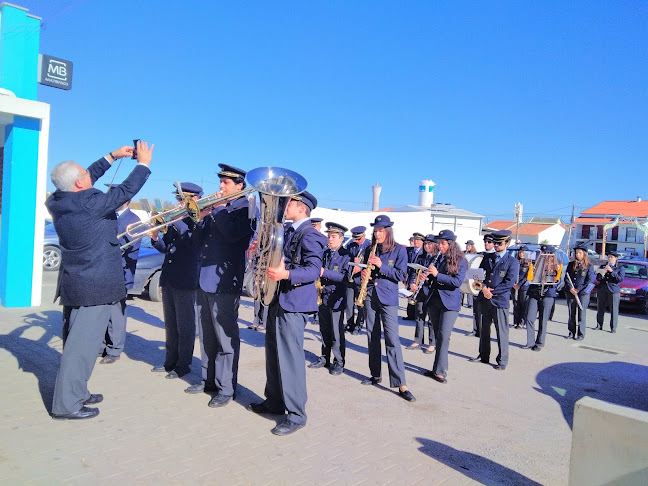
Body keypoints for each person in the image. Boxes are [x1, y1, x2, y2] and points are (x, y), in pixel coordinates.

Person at [47, 141, 153, 420]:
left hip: (77, 283)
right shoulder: (89, 203)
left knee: (78, 344)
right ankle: (67, 404)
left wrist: (112, 156)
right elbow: (126, 190)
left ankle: (77, 392)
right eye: (85, 175)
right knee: (81, 349)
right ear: (80, 183)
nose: (90, 176)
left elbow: (85, 176)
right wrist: (143, 163)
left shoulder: (58, 200)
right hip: (94, 287)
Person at [247, 191, 327, 436]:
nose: (285, 205)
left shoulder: (311, 235)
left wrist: (286, 275)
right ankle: (274, 402)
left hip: (294, 304)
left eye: (290, 202)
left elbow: (314, 270)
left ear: (302, 208)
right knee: (273, 353)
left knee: (290, 359)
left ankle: (296, 414)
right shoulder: (289, 231)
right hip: (278, 299)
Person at [186, 164, 254, 406]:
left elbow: (234, 236)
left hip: (225, 281)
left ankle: (226, 388)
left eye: (226, 183)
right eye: (221, 182)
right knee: (206, 335)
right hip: (204, 278)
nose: (220, 187)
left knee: (225, 337)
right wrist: (199, 218)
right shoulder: (217, 210)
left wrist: (218, 209)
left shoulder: (246, 208)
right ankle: (209, 380)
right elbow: (197, 241)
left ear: (239, 186)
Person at [149, 183, 203, 379]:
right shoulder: (175, 221)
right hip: (169, 278)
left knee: (185, 326)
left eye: (182, 200)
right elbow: (166, 248)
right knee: (171, 324)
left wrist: (177, 220)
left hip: (186, 279)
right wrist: (155, 238)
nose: (178, 203)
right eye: (179, 199)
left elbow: (193, 244)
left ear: (194, 200)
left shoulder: (197, 221)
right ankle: (169, 361)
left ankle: (183, 365)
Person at [360, 215, 415, 402]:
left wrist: (381, 266)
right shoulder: (370, 249)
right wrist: (365, 273)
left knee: (392, 339)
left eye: (381, 231)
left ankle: (401, 383)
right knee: (372, 336)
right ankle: (375, 374)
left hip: (388, 299)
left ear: (388, 231)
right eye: (375, 231)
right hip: (370, 296)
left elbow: (401, 274)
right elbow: (367, 269)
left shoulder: (399, 250)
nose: (377, 234)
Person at [99, 198, 142, 364]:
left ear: (127, 200)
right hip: (103, 271)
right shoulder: (109, 216)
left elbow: (129, 247)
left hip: (120, 272)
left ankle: (114, 348)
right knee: (103, 311)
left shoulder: (133, 220)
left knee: (116, 314)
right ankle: (101, 345)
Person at [468, 230, 518, 370]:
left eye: (499, 243)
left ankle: (502, 360)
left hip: (499, 300)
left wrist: (492, 292)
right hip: (484, 298)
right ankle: (483, 355)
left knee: (501, 331)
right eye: (494, 243)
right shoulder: (487, 258)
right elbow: (477, 276)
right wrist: (483, 288)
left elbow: (509, 283)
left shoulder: (512, 261)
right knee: (484, 329)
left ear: (507, 243)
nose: (495, 245)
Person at [422, 230, 467, 383]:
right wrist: (426, 278)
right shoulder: (438, 258)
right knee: (437, 336)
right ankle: (436, 369)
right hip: (435, 301)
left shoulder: (461, 260)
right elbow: (434, 280)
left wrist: (437, 275)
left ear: (451, 244)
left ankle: (440, 371)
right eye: (439, 243)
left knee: (443, 336)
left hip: (450, 304)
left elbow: (456, 282)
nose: (440, 246)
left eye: (443, 243)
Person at [309, 222, 351, 375]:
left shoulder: (346, 255)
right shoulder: (325, 253)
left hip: (336, 298)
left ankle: (339, 362)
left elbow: (345, 277)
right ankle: (324, 357)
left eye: (333, 237)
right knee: (324, 329)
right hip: (323, 296)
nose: (330, 239)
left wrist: (324, 272)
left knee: (336, 332)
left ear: (341, 239)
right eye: (329, 236)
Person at [524, 246, 561, 351]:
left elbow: (559, 280)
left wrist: (556, 273)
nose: (545, 254)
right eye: (544, 252)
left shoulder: (556, 264)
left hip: (548, 293)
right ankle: (530, 342)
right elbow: (529, 275)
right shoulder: (536, 261)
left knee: (543, 319)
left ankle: (539, 343)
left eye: (547, 252)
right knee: (529, 318)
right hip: (534, 292)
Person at [405, 234, 437, 353]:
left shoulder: (437, 258)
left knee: (432, 319)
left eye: (430, 244)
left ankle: (432, 343)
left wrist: (430, 278)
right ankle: (418, 340)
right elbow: (414, 272)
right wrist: (412, 283)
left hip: (432, 292)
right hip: (420, 291)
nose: (427, 246)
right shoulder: (421, 257)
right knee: (419, 316)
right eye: (426, 244)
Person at [565, 243, 595, 340]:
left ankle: (580, 334)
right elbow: (566, 278)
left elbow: (589, 281)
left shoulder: (589, 266)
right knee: (571, 314)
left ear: (584, 254)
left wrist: (578, 290)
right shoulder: (570, 264)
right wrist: (571, 288)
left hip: (582, 294)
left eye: (579, 253)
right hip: (571, 292)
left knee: (581, 314)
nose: (577, 254)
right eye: (576, 253)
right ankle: (571, 332)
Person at [345, 226, 372, 334]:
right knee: (349, 303)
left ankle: (358, 325)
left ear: (364, 236)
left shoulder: (369, 246)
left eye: (358, 238)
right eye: (355, 238)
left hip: (361, 278)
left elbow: (370, 264)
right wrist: (352, 261)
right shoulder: (351, 245)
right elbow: (346, 259)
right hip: (351, 278)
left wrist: (360, 267)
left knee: (360, 304)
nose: (356, 241)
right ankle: (349, 324)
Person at [468, 234, 495, 338]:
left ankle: (484, 332)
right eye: (485, 241)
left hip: (488, 289)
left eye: (489, 242)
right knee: (476, 310)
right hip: (479, 287)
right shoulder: (481, 255)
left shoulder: (494, 257)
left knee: (487, 315)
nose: (486, 243)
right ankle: (476, 330)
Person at [596, 251, 625, 333]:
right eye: (608, 257)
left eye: (611, 257)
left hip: (613, 290)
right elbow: (598, 278)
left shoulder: (620, 268)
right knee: (600, 308)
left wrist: (612, 271)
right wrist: (602, 273)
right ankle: (599, 324)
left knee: (613, 309)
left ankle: (613, 327)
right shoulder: (603, 266)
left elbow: (620, 279)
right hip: (602, 289)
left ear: (616, 258)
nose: (609, 259)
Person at [404, 232, 425, 320]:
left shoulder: (423, 252)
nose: (415, 242)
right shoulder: (409, 250)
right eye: (414, 240)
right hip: (409, 275)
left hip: (419, 275)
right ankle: (410, 315)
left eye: (418, 240)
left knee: (417, 295)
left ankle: (417, 315)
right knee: (409, 294)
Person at [512, 246, 531, 329]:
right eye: (520, 252)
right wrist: (513, 284)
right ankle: (515, 321)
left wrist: (518, 285)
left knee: (523, 304)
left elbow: (527, 276)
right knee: (516, 304)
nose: (521, 254)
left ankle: (522, 322)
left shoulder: (528, 263)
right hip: (514, 286)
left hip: (523, 286)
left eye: (523, 252)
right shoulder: (515, 262)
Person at [463, 240, 477, 308]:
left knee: (469, 286)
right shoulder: (463, 253)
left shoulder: (474, 254)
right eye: (467, 245)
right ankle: (460, 302)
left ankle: (470, 303)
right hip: (464, 271)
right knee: (462, 286)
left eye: (469, 245)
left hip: (470, 271)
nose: (467, 247)